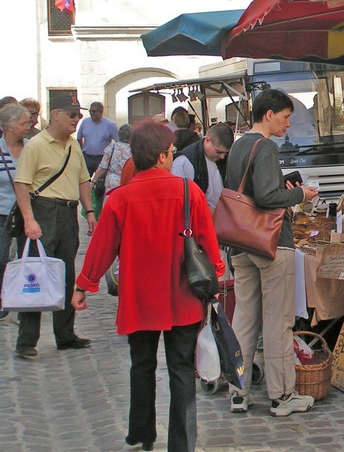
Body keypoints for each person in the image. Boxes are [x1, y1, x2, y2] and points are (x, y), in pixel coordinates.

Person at [72, 121, 223, 452]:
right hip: (183, 295)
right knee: (182, 371)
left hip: (139, 297)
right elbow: (207, 243)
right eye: (170, 152)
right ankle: (181, 444)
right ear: (161, 156)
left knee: (141, 365)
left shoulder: (120, 198)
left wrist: (84, 284)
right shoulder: (189, 192)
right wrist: (217, 273)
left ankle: (141, 433)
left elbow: (102, 247)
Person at [226, 89, 318, 416]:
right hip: (270, 243)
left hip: (241, 242)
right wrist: (300, 195)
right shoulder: (264, 146)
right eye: (285, 117)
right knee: (278, 322)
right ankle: (282, 396)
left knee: (244, 320)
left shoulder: (238, 145)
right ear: (269, 115)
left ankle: (239, 392)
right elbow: (266, 196)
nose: (288, 124)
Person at [13, 94, 97, 358]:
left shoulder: (73, 146)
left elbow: (84, 180)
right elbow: (22, 183)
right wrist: (29, 219)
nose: (77, 120)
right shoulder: (36, 145)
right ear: (57, 114)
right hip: (44, 211)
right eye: (73, 115)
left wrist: (90, 210)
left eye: (78, 115)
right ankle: (26, 340)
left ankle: (65, 334)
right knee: (35, 276)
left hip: (68, 212)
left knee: (65, 274)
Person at [0, 104, 30, 318]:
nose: (27, 127)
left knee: (25, 259)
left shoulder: (31, 148)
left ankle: (23, 301)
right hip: (2, 213)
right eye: (23, 123)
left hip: (26, 213)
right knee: (2, 258)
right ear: (9, 127)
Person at [170, 122, 232, 211]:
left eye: (225, 153)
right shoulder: (184, 162)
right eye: (218, 152)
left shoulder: (225, 158)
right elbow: (181, 200)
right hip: (201, 217)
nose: (222, 157)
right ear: (207, 140)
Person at [90, 123, 133, 214]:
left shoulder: (112, 147)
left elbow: (103, 166)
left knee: (109, 206)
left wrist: (93, 181)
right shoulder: (134, 149)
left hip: (112, 181)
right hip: (128, 181)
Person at [76, 101, 118, 176]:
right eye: (90, 111)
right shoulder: (85, 122)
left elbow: (119, 142)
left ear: (101, 111)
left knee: (101, 183)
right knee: (85, 181)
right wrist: (81, 152)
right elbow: (79, 138)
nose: (92, 113)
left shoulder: (110, 125)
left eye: (94, 111)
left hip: (102, 158)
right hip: (87, 158)